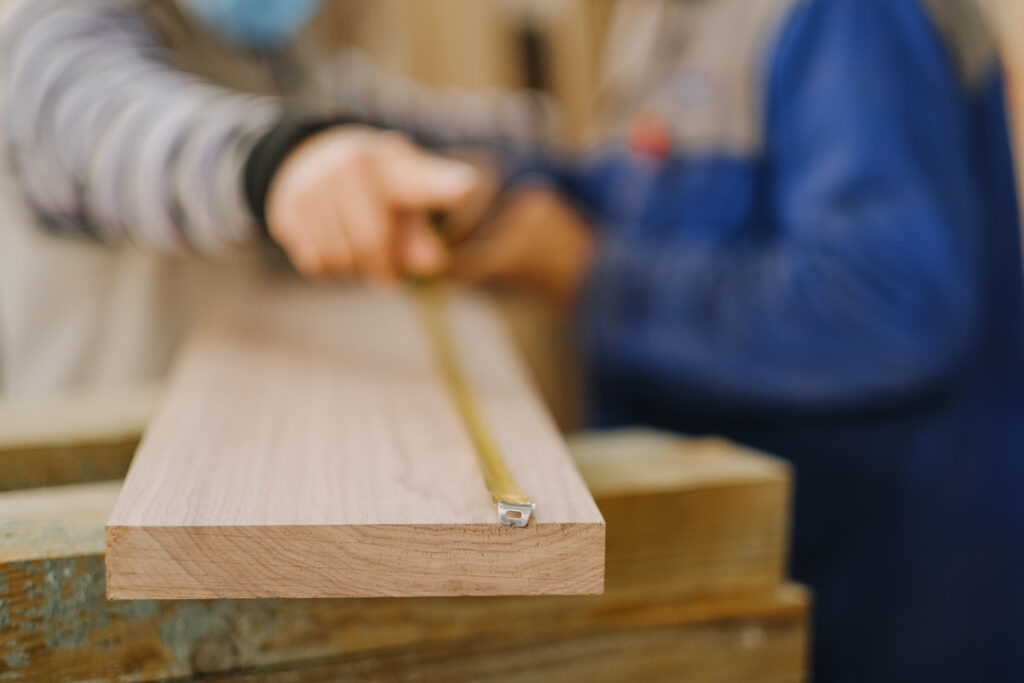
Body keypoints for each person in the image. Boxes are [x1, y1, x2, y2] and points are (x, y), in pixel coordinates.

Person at [454, 0, 1024, 681]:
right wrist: (516, 191)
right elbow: (650, 198)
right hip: (756, 571)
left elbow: (884, 302)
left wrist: (590, 271)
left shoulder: (851, 17)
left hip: (879, 594)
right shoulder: (664, 15)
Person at [0, 0, 547, 394]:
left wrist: (541, 135)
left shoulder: (265, 49)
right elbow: (107, 128)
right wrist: (278, 163)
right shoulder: (52, 24)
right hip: (111, 448)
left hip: (235, 414)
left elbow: (354, 114)